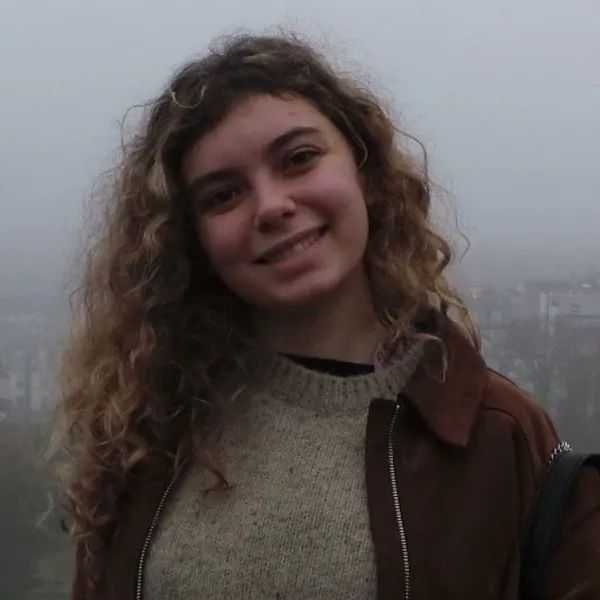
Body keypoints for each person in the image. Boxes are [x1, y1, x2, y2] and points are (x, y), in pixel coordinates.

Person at [52, 32, 600, 600]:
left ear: (366, 172)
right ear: (192, 243)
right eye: (223, 195)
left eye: (299, 159)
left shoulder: (499, 437)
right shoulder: (150, 431)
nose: (272, 206)